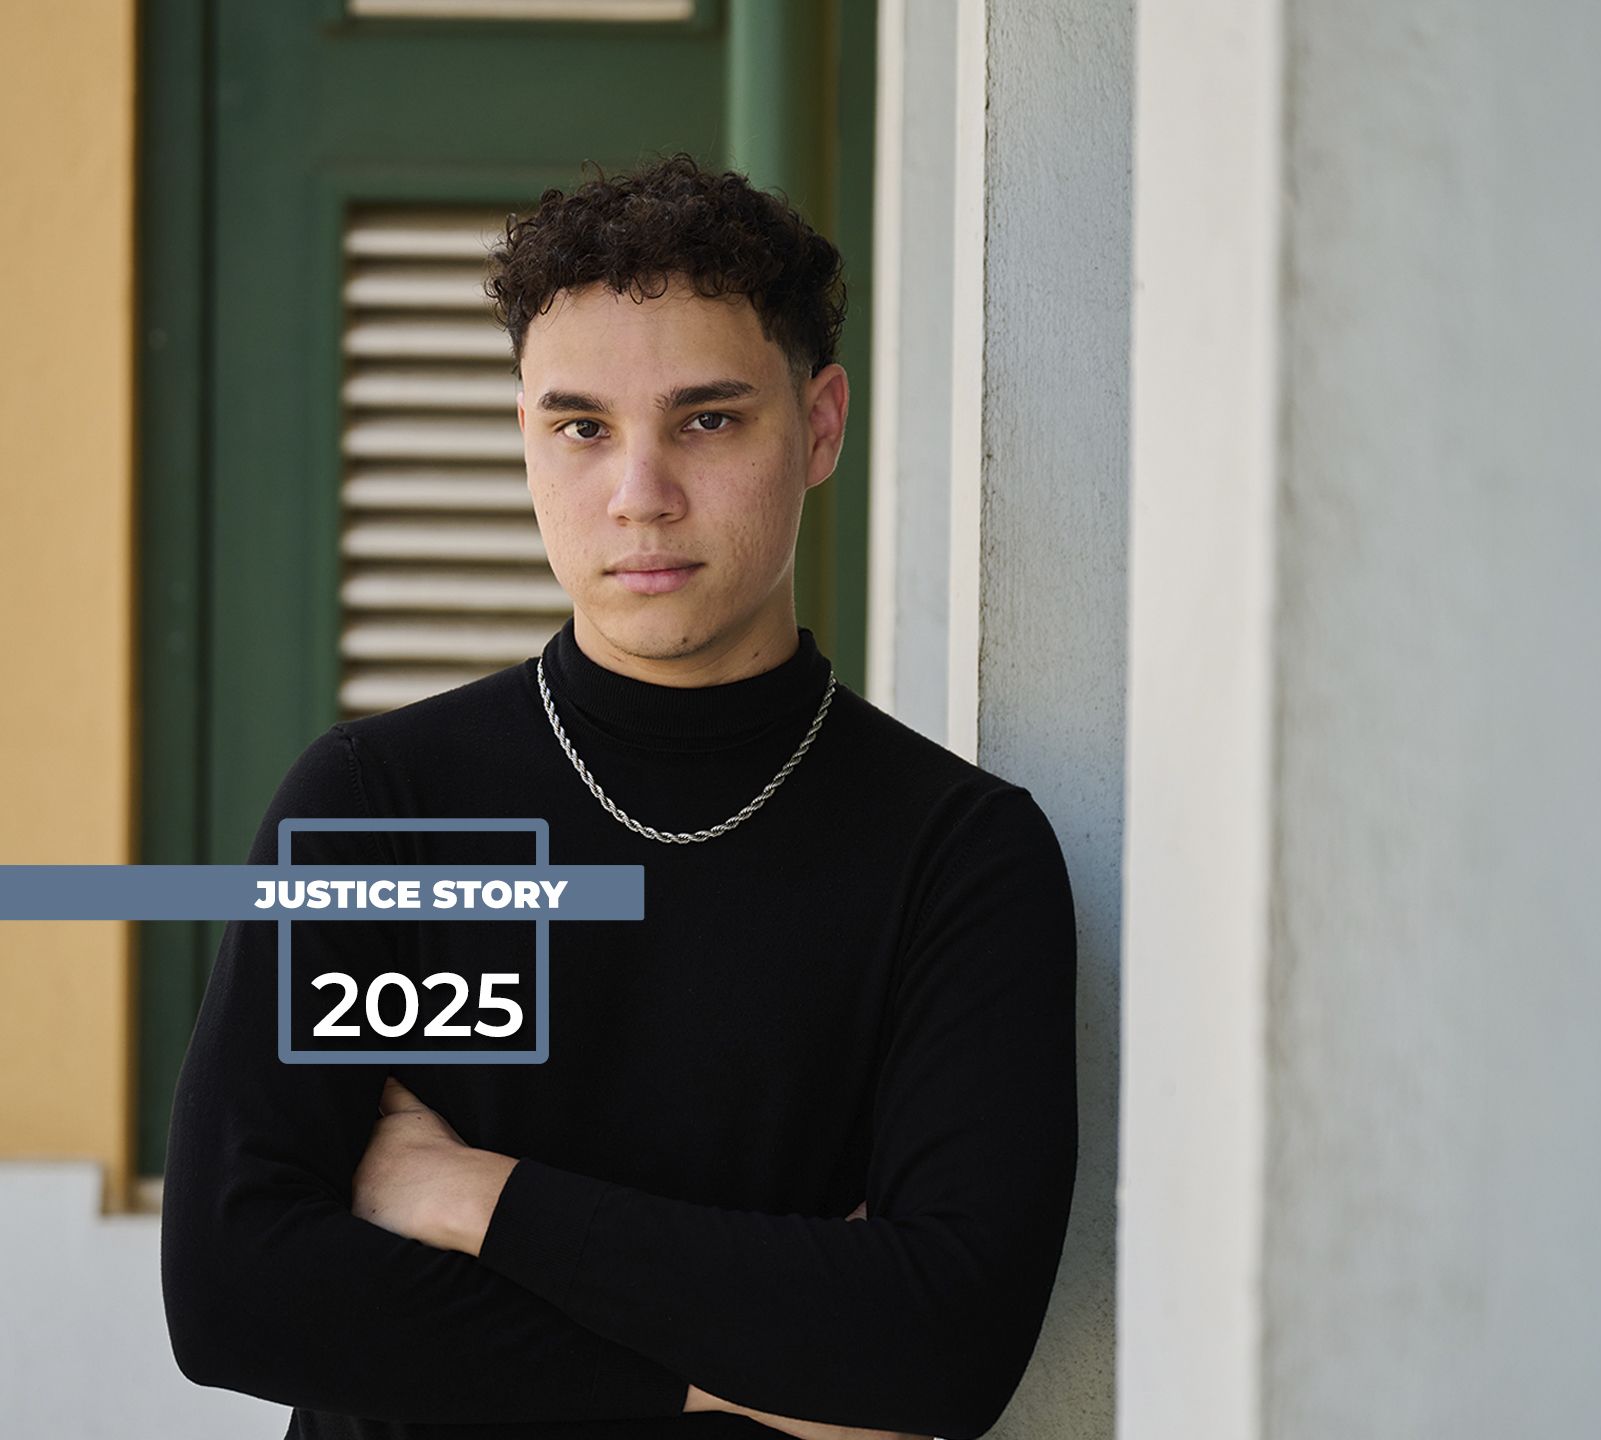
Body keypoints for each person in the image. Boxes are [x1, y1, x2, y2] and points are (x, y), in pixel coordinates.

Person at [158, 154, 1079, 1440]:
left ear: (819, 428)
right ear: (526, 435)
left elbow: (943, 1345)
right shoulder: (382, 810)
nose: (638, 494)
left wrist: (469, 1195)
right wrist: (731, 1374)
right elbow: (236, 1294)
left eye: (708, 419)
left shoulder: (957, 856)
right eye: (581, 426)